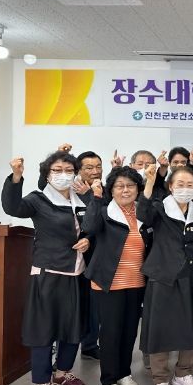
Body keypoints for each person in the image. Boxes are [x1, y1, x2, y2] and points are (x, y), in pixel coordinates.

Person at [2, 152, 90, 385]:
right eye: (57, 170)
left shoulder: (81, 198)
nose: (64, 174)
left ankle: (62, 372)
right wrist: (16, 177)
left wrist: (88, 239)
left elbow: (92, 226)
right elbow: (12, 208)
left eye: (69, 170)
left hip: (77, 272)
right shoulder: (38, 200)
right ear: (47, 175)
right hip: (48, 272)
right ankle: (42, 382)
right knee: (43, 328)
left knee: (73, 326)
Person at [136, 165, 193, 385]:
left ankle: (183, 373)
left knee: (192, 327)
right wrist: (149, 183)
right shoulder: (159, 209)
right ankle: (160, 379)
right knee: (160, 330)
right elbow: (142, 214)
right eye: (180, 184)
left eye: (190, 185)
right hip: (163, 277)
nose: (185, 189)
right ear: (170, 186)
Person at [82, 166, 152, 385]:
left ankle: (124, 373)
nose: (125, 190)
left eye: (130, 186)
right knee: (111, 332)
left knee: (130, 330)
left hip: (136, 281)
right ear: (111, 190)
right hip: (108, 282)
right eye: (119, 186)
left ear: (138, 189)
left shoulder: (143, 212)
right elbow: (89, 227)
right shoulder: (104, 212)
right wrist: (96, 197)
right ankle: (109, 379)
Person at [75, 150, 104, 361]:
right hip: (71, 258)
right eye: (89, 167)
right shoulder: (68, 190)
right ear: (79, 170)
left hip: (96, 258)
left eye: (98, 167)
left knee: (94, 306)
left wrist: (91, 195)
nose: (95, 171)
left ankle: (89, 345)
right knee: (72, 305)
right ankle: (64, 350)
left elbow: (103, 220)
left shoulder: (105, 190)